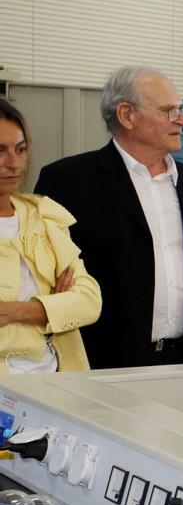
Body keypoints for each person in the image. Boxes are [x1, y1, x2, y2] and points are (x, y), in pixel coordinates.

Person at [35, 66, 183, 368]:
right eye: (169, 111)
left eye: (181, 109)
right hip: (104, 367)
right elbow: (45, 284)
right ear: (127, 115)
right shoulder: (68, 182)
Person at [0, 98, 101, 373]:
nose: (13, 163)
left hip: (56, 384)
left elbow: (89, 301)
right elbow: (71, 306)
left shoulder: (43, 216)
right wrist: (55, 307)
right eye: (0, 151)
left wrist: (13, 311)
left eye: (20, 150)